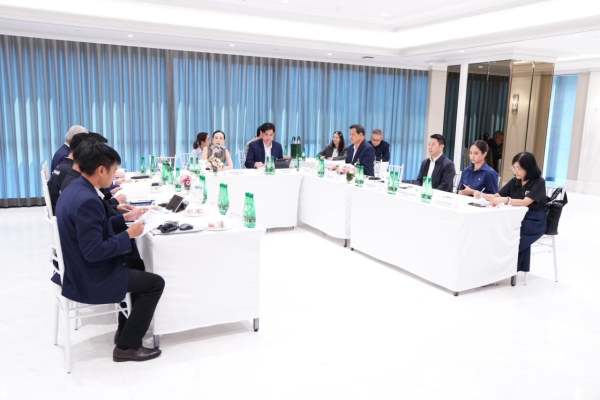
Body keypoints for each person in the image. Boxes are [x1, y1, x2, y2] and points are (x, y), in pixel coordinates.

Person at [56, 141, 164, 362]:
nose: (114, 177)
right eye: (113, 171)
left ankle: (125, 331)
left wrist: (123, 219)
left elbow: (94, 228)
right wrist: (128, 234)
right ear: (101, 170)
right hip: (89, 277)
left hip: (78, 266)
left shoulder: (75, 188)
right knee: (155, 284)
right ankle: (127, 346)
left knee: (137, 264)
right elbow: (94, 251)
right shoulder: (87, 200)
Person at [482, 152, 547, 274]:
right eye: (514, 167)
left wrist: (506, 200)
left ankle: (501, 270)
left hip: (533, 221)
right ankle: (506, 269)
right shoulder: (515, 181)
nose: (516, 171)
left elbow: (525, 202)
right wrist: (483, 195)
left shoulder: (539, 182)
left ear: (529, 168)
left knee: (510, 239)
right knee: (498, 232)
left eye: (519, 168)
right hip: (515, 218)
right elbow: (498, 195)